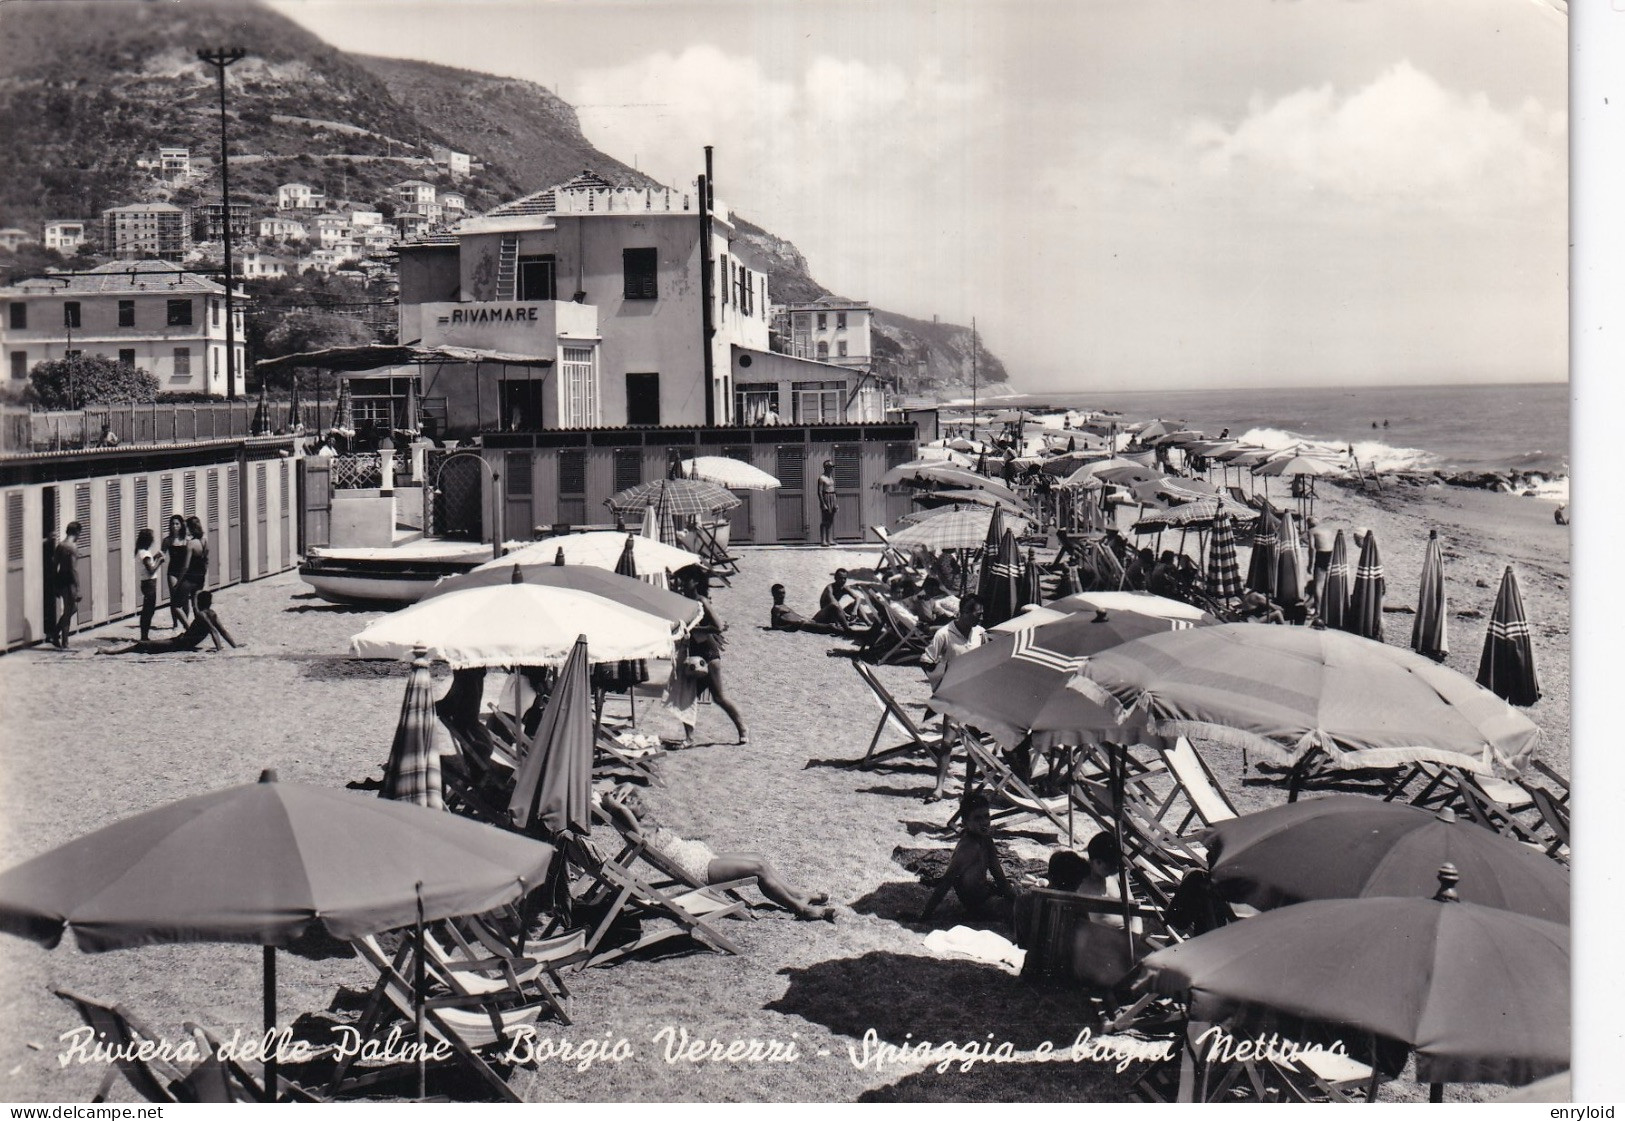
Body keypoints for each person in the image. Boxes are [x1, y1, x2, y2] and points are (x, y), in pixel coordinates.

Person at [601, 785, 834, 921]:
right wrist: (612, 804)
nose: (635, 800)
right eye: (628, 801)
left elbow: (628, 799)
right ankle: (801, 909)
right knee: (759, 869)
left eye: (633, 797)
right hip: (698, 868)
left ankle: (798, 894)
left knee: (758, 857)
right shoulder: (637, 831)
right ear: (622, 812)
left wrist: (616, 795)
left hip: (701, 857)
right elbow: (621, 810)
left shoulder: (644, 825)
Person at [664, 566, 748, 747]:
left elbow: (718, 626)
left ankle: (742, 729)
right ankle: (689, 738)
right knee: (688, 696)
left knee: (719, 697)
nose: (681, 584)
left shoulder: (701, 601)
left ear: (695, 582)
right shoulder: (684, 601)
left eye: (685, 580)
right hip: (693, 654)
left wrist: (693, 628)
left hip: (708, 653)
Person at [921, 594, 988, 802]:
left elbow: (987, 658)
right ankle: (939, 788)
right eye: (978, 614)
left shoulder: (980, 633)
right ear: (965, 613)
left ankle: (968, 785)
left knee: (974, 743)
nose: (981, 618)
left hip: (976, 693)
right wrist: (941, 681)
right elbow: (926, 660)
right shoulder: (945, 634)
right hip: (953, 695)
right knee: (948, 742)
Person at [918, 792, 1012, 922]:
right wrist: (925, 915)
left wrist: (1012, 896)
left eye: (986, 816)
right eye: (978, 818)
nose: (984, 822)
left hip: (987, 893)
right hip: (978, 904)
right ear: (965, 823)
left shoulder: (986, 840)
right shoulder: (968, 848)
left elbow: (999, 877)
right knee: (1022, 907)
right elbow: (946, 882)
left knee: (1022, 897)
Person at [97, 589, 241, 654]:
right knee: (146, 646)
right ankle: (111, 652)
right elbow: (220, 632)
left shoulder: (204, 615)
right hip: (181, 643)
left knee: (144, 646)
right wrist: (228, 648)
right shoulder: (211, 614)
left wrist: (222, 649)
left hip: (180, 643)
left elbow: (217, 631)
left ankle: (111, 652)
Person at [49, 522, 81, 649]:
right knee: (69, 610)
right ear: (77, 532)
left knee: (71, 608)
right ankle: (64, 642)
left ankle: (56, 633)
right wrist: (78, 588)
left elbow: (54, 564)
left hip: (60, 578)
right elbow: (73, 569)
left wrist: (54, 582)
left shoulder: (60, 545)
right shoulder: (72, 547)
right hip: (69, 580)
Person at [172, 515, 210, 622]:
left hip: (190, 578)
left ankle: (187, 627)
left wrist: (178, 582)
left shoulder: (191, 544)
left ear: (191, 528)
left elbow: (185, 566)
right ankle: (200, 626)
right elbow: (206, 560)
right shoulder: (204, 541)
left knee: (176, 605)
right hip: (200, 577)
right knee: (196, 605)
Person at [133, 527, 165, 642]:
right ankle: (144, 635)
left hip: (146, 583)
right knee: (148, 610)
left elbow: (148, 563)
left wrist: (155, 556)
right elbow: (151, 569)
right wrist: (160, 562)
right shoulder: (145, 554)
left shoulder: (140, 552)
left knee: (148, 609)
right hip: (149, 583)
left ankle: (144, 635)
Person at [163, 514, 191, 628]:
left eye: (177, 524)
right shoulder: (167, 540)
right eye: (172, 524)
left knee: (184, 598)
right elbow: (161, 554)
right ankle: (175, 623)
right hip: (173, 571)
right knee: (174, 597)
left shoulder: (187, 540)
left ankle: (186, 621)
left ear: (181, 525)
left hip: (184, 571)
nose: (174, 526)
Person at [815, 568, 862, 632]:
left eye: (845, 578)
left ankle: (868, 623)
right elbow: (834, 603)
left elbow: (857, 598)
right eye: (840, 578)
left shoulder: (844, 587)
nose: (843, 580)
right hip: (826, 615)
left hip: (837, 613)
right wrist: (845, 614)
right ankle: (848, 629)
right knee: (835, 606)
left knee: (855, 605)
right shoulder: (829, 588)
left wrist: (854, 610)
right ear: (835, 578)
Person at [816, 460, 838, 547]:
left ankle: (829, 539)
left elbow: (834, 490)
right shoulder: (821, 478)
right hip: (826, 498)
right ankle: (823, 540)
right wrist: (823, 503)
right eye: (830, 467)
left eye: (832, 467)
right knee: (825, 520)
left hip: (832, 497)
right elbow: (820, 492)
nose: (832, 469)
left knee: (831, 520)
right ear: (826, 468)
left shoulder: (831, 477)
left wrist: (835, 502)